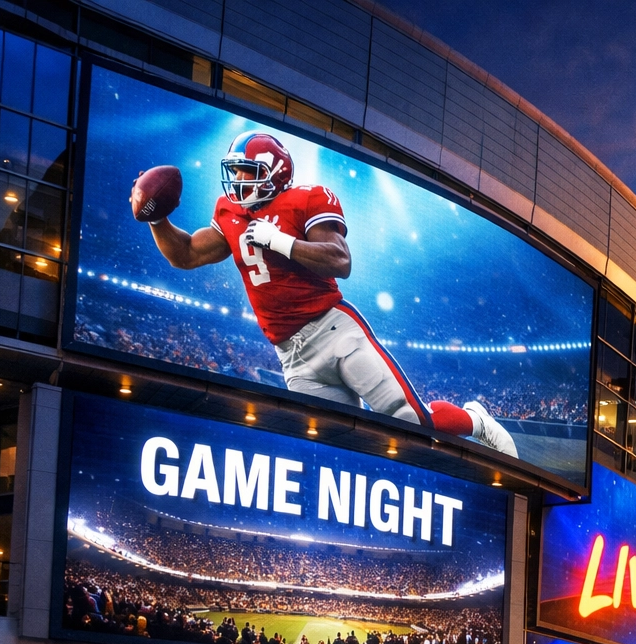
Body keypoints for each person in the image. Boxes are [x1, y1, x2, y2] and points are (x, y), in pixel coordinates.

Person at [136, 131, 517, 454]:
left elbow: (340, 260)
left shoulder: (306, 198)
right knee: (340, 446)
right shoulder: (230, 214)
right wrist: (157, 218)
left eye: (245, 171)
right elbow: (186, 254)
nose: (236, 179)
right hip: (292, 357)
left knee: (407, 421)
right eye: (234, 171)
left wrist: (281, 241)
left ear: (274, 173)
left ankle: (476, 421)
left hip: (335, 331)